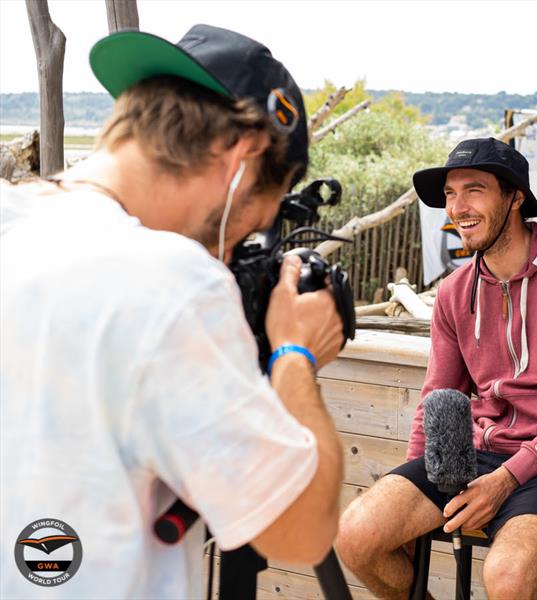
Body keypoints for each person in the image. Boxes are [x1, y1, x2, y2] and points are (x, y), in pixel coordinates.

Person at [0, 25, 344, 599]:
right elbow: (302, 532)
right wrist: (293, 353)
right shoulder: (172, 283)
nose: (238, 252)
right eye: (256, 219)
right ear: (242, 155)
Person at [337, 137, 537, 600]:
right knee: (357, 536)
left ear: (514, 198)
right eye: (450, 194)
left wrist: (508, 478)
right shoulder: (453, 293)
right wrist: (416, 475)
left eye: (474, 190)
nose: (457, 207)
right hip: (474, 455)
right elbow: (437, 396)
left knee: (508, 580)